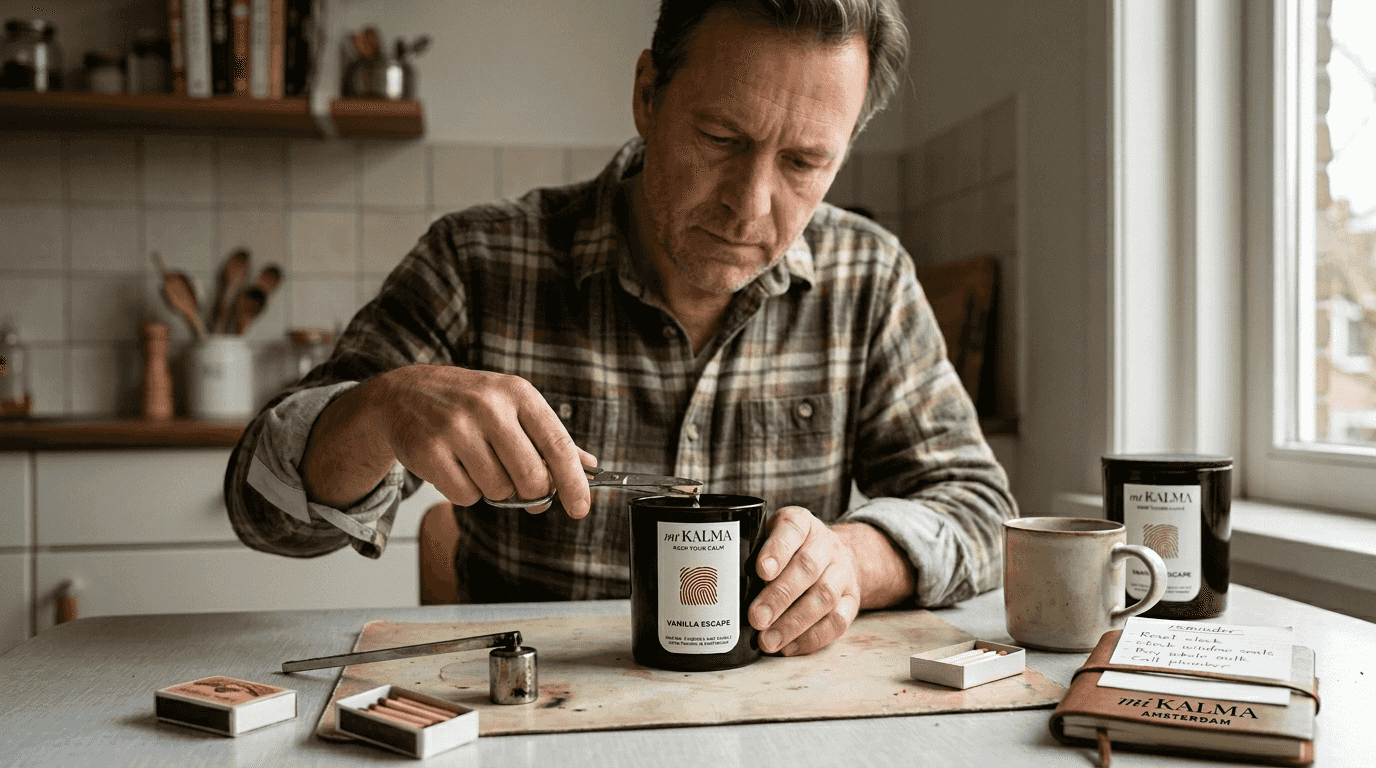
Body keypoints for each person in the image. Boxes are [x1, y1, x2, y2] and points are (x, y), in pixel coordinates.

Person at [225, 0, 1017, 658]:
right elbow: (261, 511)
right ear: (648, 94)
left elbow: (979, 509)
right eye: (721, 139)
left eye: (804, 163)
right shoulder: (479, 259)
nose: (749, 205)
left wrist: (853, 558)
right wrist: (377, 412)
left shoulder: (869, 278)